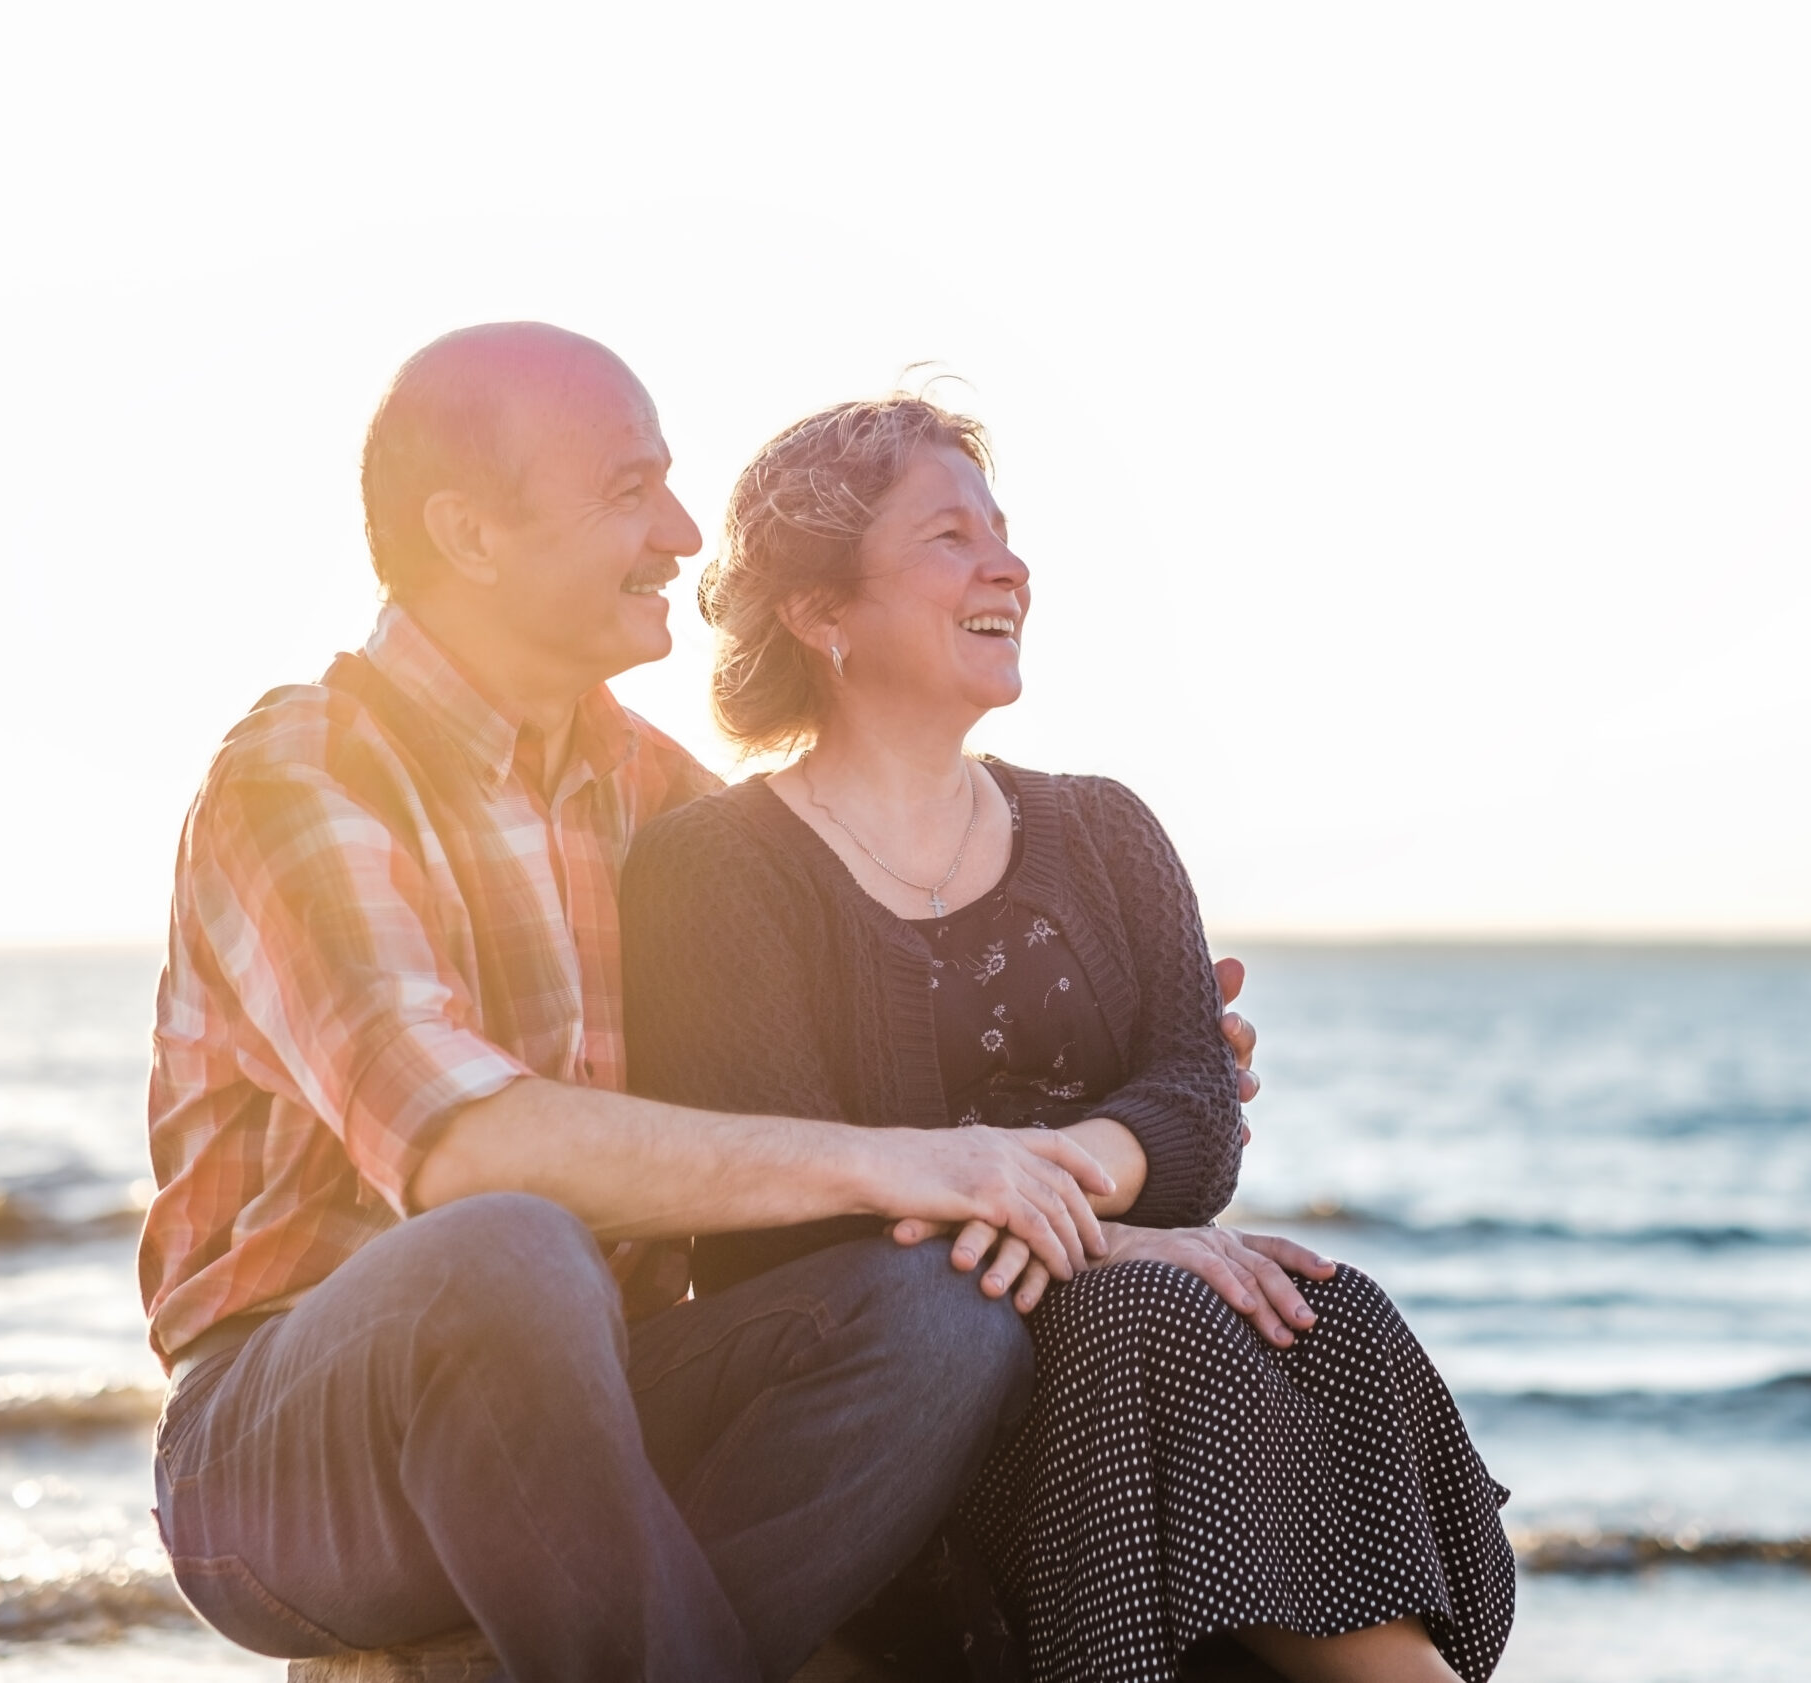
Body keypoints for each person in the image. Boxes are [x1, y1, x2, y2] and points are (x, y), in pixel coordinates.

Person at [139, 323, 1260, 1683]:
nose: (681, 530)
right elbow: (462, 1146)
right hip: (291, 1458)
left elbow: (834, 1067)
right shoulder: (299, 773)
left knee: (937, 1308)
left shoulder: (668, 806)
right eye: (630, 490)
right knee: (510, 1245)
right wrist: (921, 1156)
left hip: (608, 1400)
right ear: (472, 534)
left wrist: (1090, 1122)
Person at [619, 396, 1514, 1683]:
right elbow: (782, 1221)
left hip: (1132, 1375)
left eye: (1003, 532)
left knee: (1313, 1301)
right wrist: (1114, 1247)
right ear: (824, 617)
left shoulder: (1102, 831)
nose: (1007, 566)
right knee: (1156, 1310)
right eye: (948, 537)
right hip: (889, 1424)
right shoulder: (716, 872)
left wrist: (1057, 1196)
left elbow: (1199, 1117)